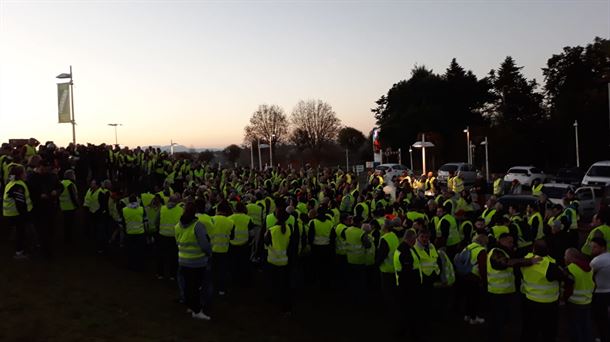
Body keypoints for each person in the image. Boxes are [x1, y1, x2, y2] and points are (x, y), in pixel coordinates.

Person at [486, 233, 539, 342]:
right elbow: (505, 262)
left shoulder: (504, 251)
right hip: (497, 293)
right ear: (501, 241)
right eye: (509, 242)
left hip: (504, 292)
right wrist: (529, 261)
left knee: (501, 319)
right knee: (497, 320)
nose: (512, 244)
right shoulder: (495, 252)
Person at [520, 239, 572, 342]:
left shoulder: (525, 260)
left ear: (533, 249)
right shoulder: (552, 266)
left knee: (530, 330)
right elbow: (568, 279)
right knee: (549, 332)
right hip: (548, 304)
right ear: (548, 250)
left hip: (529, 300)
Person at [175, 200, 212, 320]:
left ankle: (190, 306)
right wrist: (209, 253)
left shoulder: (177, 226)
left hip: (183, 260)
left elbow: (177, 241)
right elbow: (204, 244)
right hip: (197, 262)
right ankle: (197, 310)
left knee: (188, 286)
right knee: (195, 286)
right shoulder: (198, 226)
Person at [264, 208, 297, 315]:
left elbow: (266, 243)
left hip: (272, 261)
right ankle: (285, 307)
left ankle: (272, 300)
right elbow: (292, 246)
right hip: (284, 261)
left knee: (272, 282)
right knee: (284, 285)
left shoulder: (271, 230)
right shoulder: (289, 229)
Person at [393, 229, 422, 339]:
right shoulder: (405, 251)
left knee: (406, 310)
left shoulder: (406, 248)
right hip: (407, 287)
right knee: (408, 311)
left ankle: (405, 331)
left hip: (405, 285)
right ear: (412, 239)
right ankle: (409, 333)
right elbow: (407, 272)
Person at [563, 248, 594, 342]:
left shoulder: (570, 269)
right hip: (587, 301)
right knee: (586, 326)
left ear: (571, 257)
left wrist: (564, 298)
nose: (564, 257)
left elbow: (567, 288)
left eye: (565, 255)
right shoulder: (590, 267)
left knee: (575, 328)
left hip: (574, 303)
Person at [2, 165, 33, 259]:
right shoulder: (18, 185)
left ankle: (18, 248)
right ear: (20, 174)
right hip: (16, 214)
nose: (26, 174)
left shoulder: (11, 183)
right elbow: (20, 203)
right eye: (24, 172)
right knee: (21, 233)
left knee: (18, 232)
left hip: (12, 213)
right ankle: (19, 252)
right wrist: (25, 215)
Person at [460, 233, 488, 325]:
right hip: (474, 277)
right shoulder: (481, 250)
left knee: (468, 297)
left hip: (464, 275)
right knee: (475, 298)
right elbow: (482, 268)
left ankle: (467, 315)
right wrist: (484, 280)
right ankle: (474, 318)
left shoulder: (468, 247)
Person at [209, 200, 234, 296]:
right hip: (224, 249)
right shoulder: (230, 222)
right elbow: (232, 237)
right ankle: (221, 289)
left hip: (212, 249)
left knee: (212, 270)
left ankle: (211, 288)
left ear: (217, 210)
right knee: (222, 271)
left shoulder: (211, 219)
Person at [156, 194, 183, 280]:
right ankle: (172, 275)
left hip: (162, 235)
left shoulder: (162, 208)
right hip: (174, 236)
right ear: (177, 201)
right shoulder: (181, 210)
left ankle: (160, 273)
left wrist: (159, 228)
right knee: (174, 256)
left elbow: (156, 221)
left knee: (161, 255)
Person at [589, 237, 610, 342]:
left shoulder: (597, 261)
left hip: (600, 294)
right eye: (591, 247)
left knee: (601, 319)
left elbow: (589, 275)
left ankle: (603, 338)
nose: (592, 249)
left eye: (594, 247)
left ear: (602, 247)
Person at [122, 194, 147, 271]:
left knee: (130, 251)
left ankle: (130, 265)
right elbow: (146, 221)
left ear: (129, 201)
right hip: (140, 233)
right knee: (140, 251)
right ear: (137, 200)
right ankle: (139, 266)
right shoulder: (141, 209)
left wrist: (124, 230)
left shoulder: (124, 210)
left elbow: (121, 222)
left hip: (129, 233)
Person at [58, 169, 79, 243]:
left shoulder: (61, 182)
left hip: (62, 206)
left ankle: (65, 239)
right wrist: (77, 206)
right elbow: (73, 197)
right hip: (70, 207)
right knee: (70, 225)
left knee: (65, 225)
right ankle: (69, 240)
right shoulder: (70, 184)